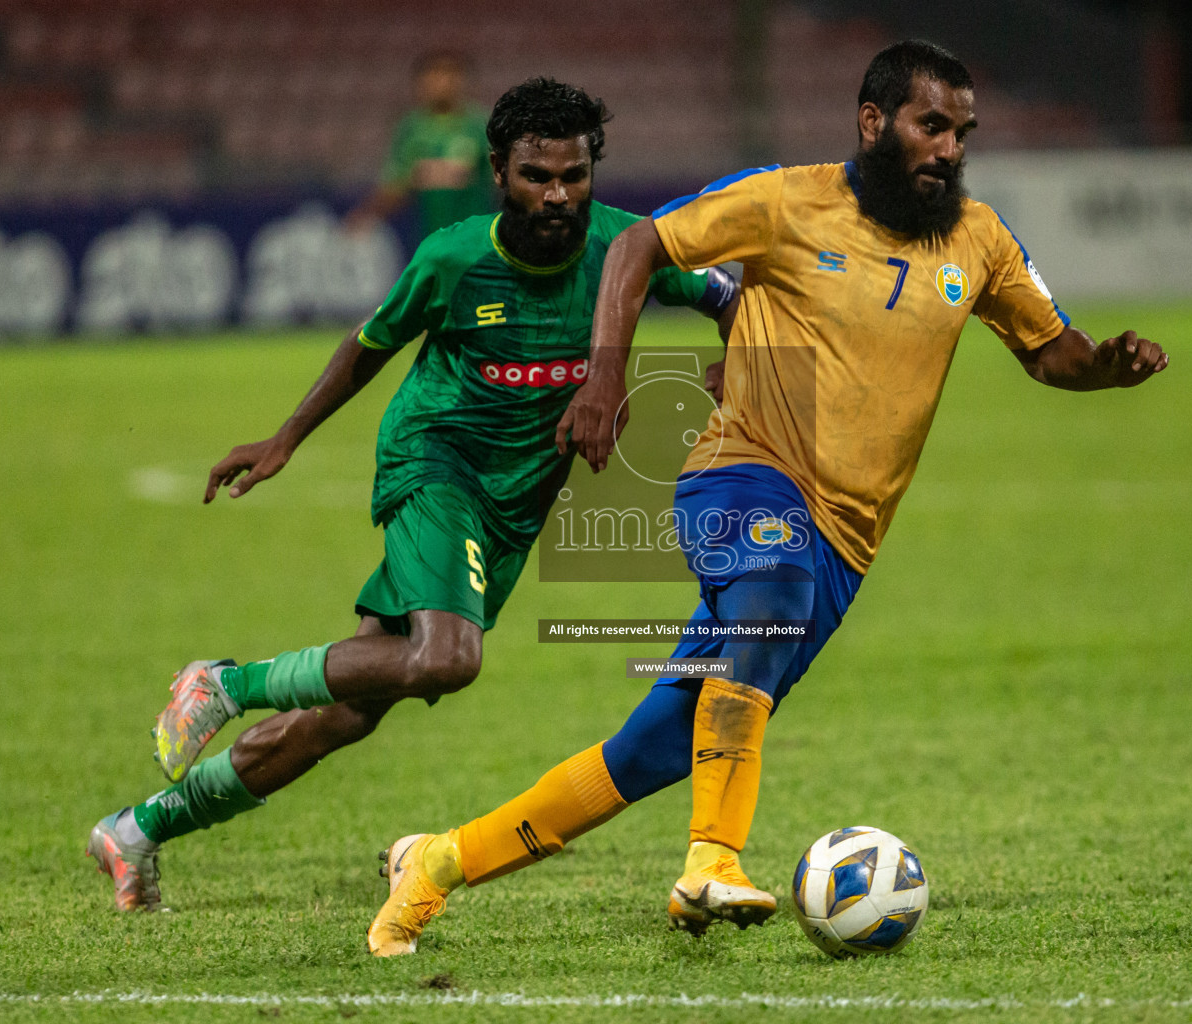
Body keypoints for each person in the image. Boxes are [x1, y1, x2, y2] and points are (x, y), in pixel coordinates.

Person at [364, 39, 1169, 957]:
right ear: (875, 123)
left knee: (652, 752)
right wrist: (603, 379)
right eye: (930, 125)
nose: (948, 148)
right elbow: (637, 244)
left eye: (961, 131)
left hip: (847, 542)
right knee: (771, 590)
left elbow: (1048, 348)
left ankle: (434, 864)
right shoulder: (786, 199)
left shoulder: (979, 240)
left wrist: (1104, 367)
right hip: (739, 473)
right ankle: (713, 859)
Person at [85, 78, 739, 911]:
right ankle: (224, 683)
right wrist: (286, 437)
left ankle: (134, 832)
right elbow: (369, 345)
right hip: (436, 464)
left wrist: (736, 362)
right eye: (538, 175)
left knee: (349, 713)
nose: (559, 195)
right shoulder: (454, 258)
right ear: (498, 171)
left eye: (575, 176)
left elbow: (730, 293)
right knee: (447, 658)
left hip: (514, 502)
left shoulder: (625, 251)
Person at [344, 51, 495, 239]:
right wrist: (366, 215)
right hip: (424, 238)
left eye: (449, 73)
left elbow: (501, 181)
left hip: (472, 239)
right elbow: (395, 184)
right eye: (434, 74)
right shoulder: (410, 129)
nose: (442, 81)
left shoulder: (480, 125)